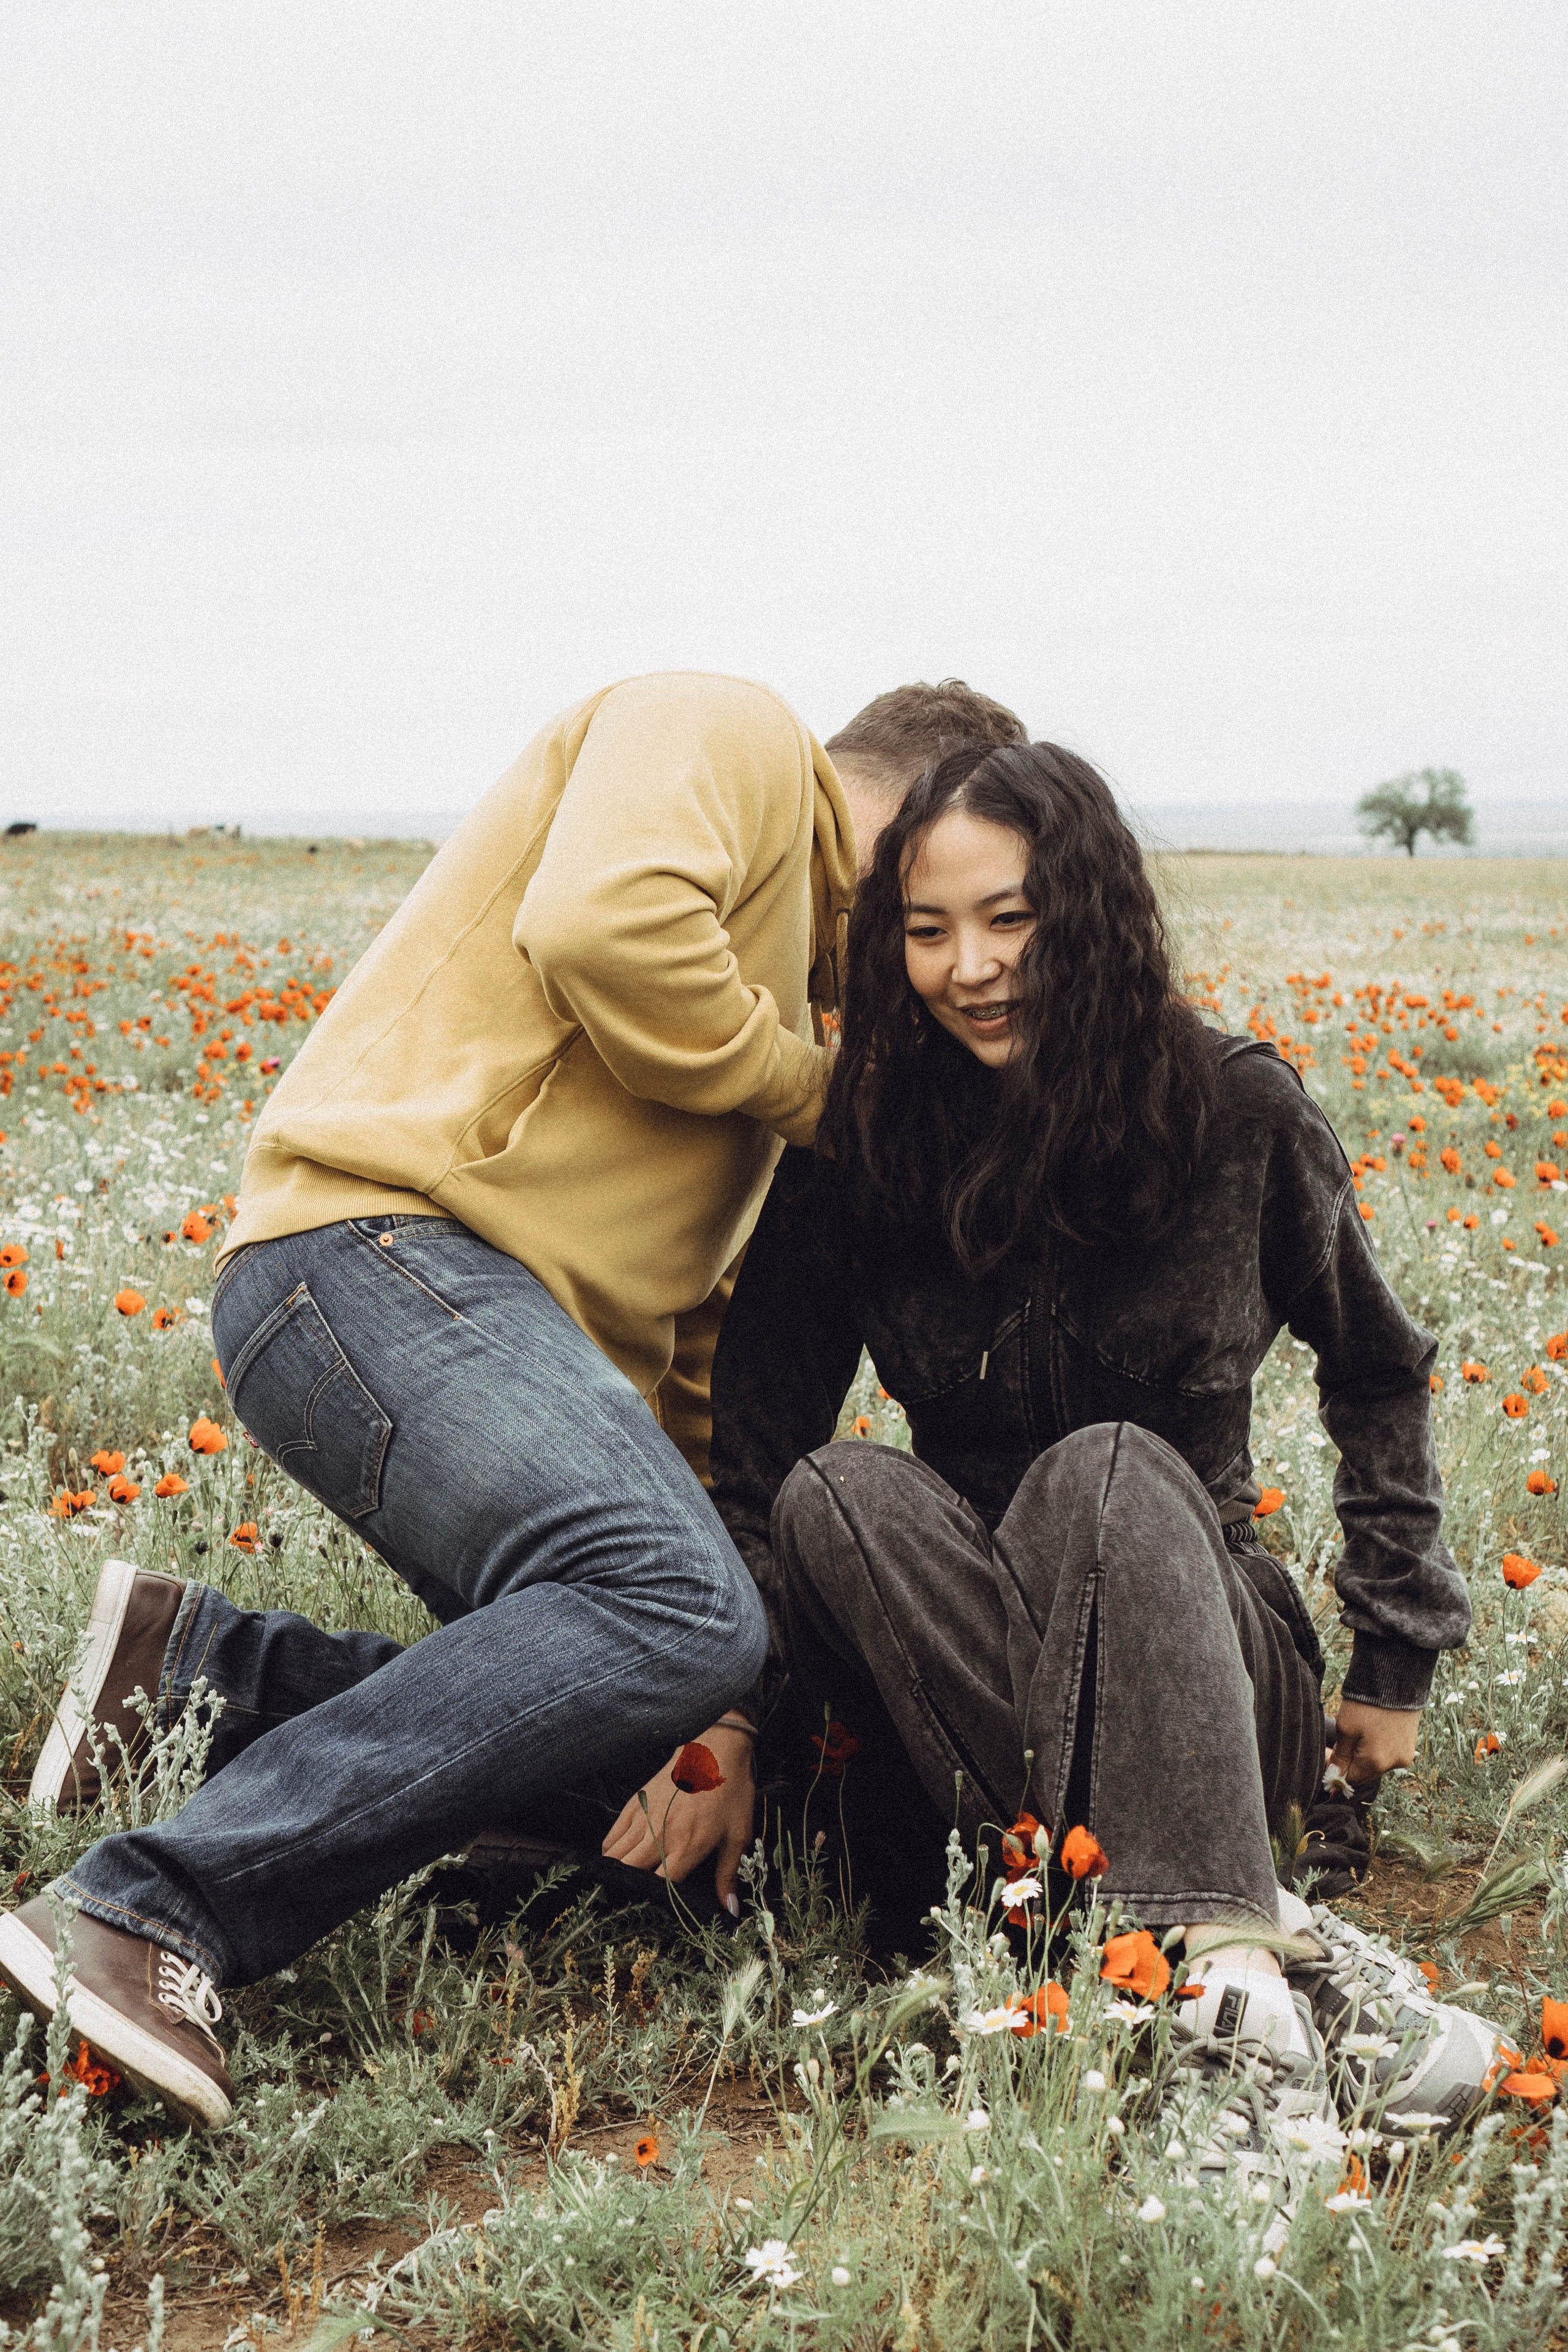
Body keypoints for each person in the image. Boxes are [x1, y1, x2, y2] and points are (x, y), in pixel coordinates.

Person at [0, 671, 1027, 2130]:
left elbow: (692, 1383)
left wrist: (715, 1721)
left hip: (474, 1326)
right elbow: (602, 923)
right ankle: (149, 1912)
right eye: (938, 919)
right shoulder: (729, 733)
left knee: (653, 1738)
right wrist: (830, 1095)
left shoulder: (784, 1020)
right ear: (923, 821)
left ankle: (194, 1687)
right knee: (675, 1612)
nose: (946, 971)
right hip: (373, 1251)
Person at [682, 739, 1507, 2199]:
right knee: (836, 1488)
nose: (970, 967)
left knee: (1109, 1471)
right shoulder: (863, 1145)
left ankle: (1226, 2018)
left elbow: (1375, 1361)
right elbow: (755, 1450)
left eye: (1009, 917)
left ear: (1090, 910)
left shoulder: (1233, 1108)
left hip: (1210, 1660)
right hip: (966, 1683)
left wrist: (1393, 1650)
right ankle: (1270, 1964)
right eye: (925, 933)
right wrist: (732, 1719)